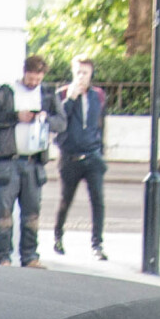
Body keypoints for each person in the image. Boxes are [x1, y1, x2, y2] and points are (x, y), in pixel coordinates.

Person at [0, 55, 56, 266]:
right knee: (4, 213)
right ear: (24, 72)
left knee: (32, 213)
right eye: (30, 78)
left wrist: (45, 118)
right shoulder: (7, 93)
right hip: (7, 162)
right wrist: (16, 117)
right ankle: (3, 257)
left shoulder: (47, 95)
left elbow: (61, 122)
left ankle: (30, 257)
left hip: (33, 162)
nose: (33, 83)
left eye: (37, 79)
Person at [53, 56, 110, 261]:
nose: (81, 76)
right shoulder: (62, 95)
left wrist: (101, 150)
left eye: (85, 72)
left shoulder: (98, 95)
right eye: (78, 72)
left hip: (92, 155)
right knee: (65, 200)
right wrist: (71, 98)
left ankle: (97, 244)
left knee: (98, 200)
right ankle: (58, 236)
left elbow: (100, 122)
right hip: (70, 156)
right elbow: (59, 122)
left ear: (91, 74)